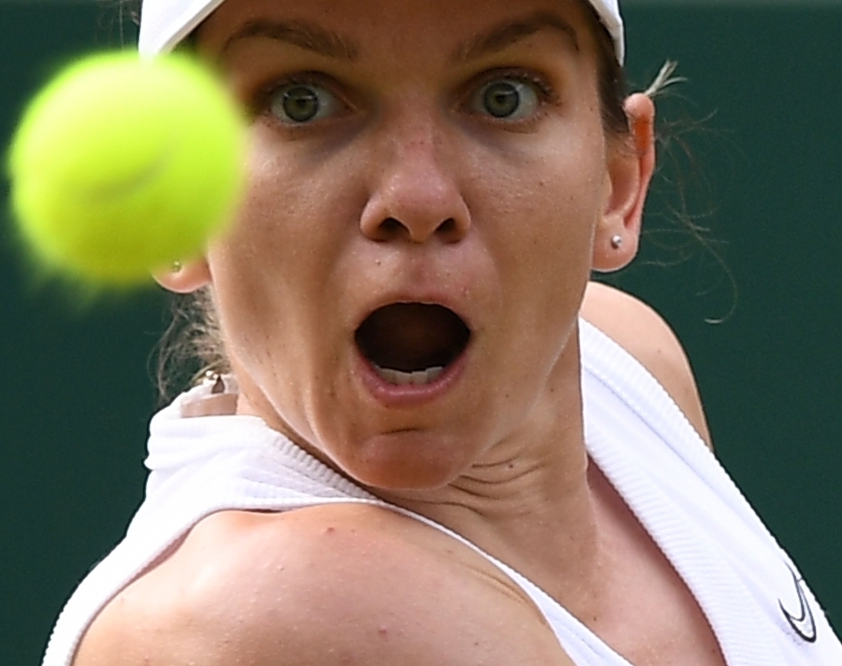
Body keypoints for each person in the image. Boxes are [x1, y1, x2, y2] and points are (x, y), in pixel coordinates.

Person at [42, 0, 842, 663]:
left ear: (618, 184)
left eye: (505, 95)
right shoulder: (279, 613)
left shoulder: (626, 364)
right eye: (303, 100)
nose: (417, 196)